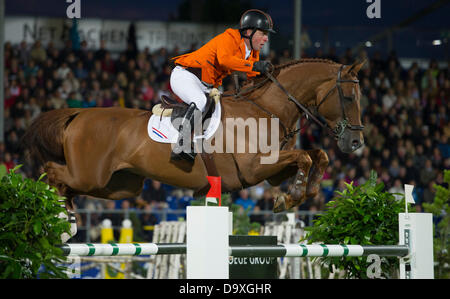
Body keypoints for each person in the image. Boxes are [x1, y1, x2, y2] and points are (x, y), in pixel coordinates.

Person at [169, 9, 275, 161]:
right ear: (249, 32)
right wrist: (255, 66)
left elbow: (253, 78)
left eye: (267, 35)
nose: (266, 38)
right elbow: (225, 60)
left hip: (205, 85)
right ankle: (181, 144)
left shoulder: (252, 52)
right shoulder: (229, 38)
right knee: (200, 101)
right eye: (263, 34)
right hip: (185, 76)